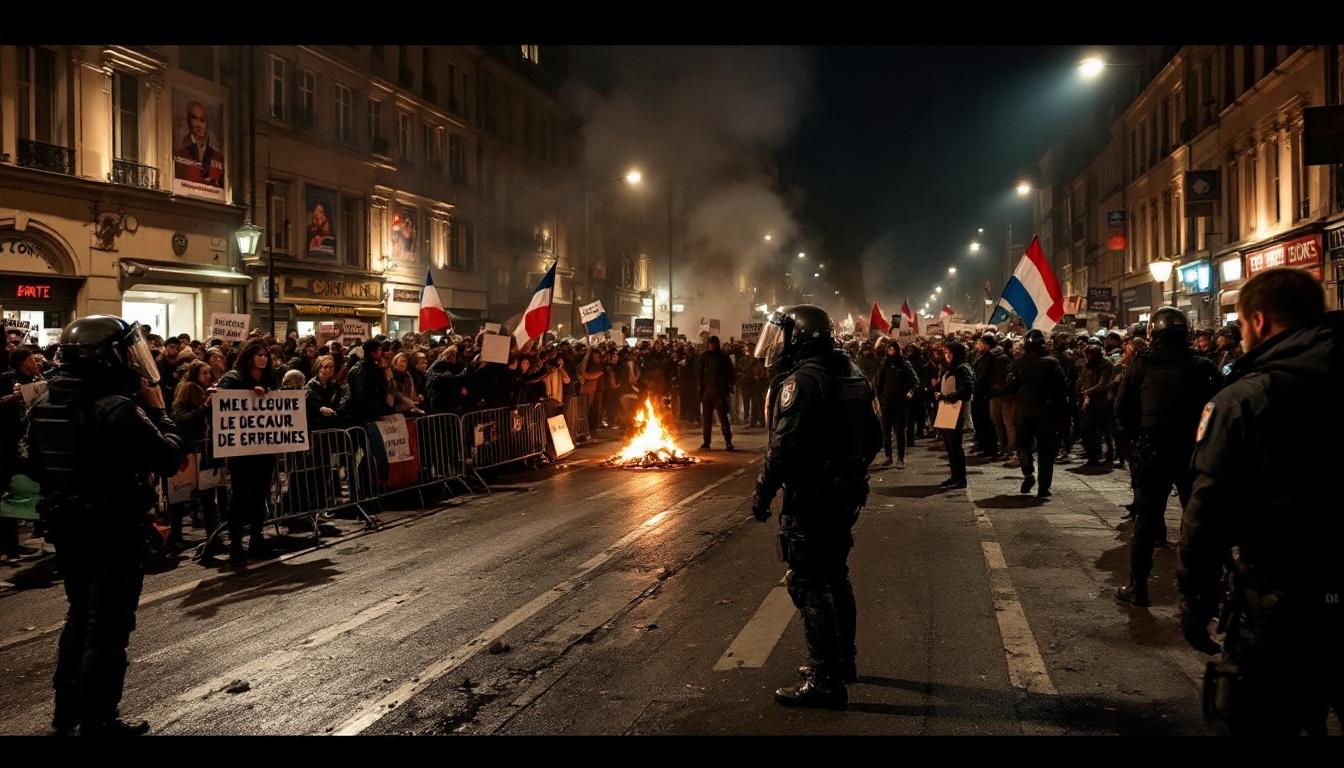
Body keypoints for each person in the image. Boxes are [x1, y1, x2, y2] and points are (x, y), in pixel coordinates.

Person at [1177, 268, 1343, 735]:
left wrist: (1196, 599)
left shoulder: (1247, 398)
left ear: (1260, 321)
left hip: (1283, 599)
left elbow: (1208, 509)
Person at [26, 315, 184, 735]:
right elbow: (169, 457)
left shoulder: (44, 404)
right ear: (109, 358)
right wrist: (161, 413)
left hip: (68, 527)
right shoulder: (118, 409)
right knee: (109, 628)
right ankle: (99, 720)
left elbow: (35, 466)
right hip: (113, 528)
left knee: (79, 617)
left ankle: (66, 714)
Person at [751, 305, 881, 710]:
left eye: (784, 335)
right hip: (845, 493)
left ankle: (826, 679)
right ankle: (844, 662)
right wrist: (847, 469)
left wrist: (762, 493)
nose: (778, 344)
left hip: (812, 494)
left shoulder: (804, 381)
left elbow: (782, 448)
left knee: (807, 582)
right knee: (836, 576)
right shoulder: (852, 373)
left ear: (800, 336)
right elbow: (874, 437)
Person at [1112, 306, 1219, 607]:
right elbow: (1216, 409)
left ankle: (1139, 586)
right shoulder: (1202, 365)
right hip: (1191, 451)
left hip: (1154, 450)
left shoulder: (1140, 365)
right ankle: (1201, 587)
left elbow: (1121, 410)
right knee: (1196, 518)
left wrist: (1136, 441)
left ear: (1154, 333)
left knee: (1146, 520)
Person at [217, 338, 281, 566]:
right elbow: (223, 404)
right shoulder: (233, 378)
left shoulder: (270, 378)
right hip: (242, 452)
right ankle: (236, 546)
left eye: (266, 355)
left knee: (260, 496)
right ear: (249, 356)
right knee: (240, 498)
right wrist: (248, 393)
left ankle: (256, 539)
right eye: (259, 355)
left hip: (264, 450)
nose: (263, 359)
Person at [1003, 329, 1068, 498]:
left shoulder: (1018, 363)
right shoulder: (1052, 363)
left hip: (1024, 412)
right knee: (1045, 451)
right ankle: (1043, 487)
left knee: (1023, 446)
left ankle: (1028, 474)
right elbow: (1062, 389)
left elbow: (1010, 387)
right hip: (1046, 413)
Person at [933, 340, 974, 489]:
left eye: (947, 352)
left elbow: (968, 389)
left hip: (955, 409)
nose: (946, 355)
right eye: (944, 352)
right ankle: (954, 476)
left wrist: (949, 396)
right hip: (946, 409)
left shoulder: (962, 368)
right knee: (949, 446)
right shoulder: (950, 367)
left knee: (955, 445)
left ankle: (960, 478)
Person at [873, 340, 918, 468]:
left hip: (901, 404)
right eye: (889, 350)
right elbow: (878, 383)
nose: (891, 352)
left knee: (899, 432)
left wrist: (911, 392)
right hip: (887, 404)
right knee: (886, 431)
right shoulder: (884, 365)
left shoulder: (905, 365)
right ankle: (888, 456)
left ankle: (901, 458)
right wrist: (880, 399)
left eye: (893, 350)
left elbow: (915, 381)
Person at [694, 335, 736, 450]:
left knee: (723, 419)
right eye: (711, 344)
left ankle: (728, 442)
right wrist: (701, 388)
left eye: (714, 344)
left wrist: (729, 386)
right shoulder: (704, 356)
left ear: (717, 344)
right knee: (707, 420)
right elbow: (697, 371)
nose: (712, 346)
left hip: (719, 392)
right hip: (707, 393)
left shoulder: (723, 357)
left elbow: (731, 373)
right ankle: (706, 442)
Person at [174, 100, 224, 188]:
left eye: (202, 120)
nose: (199, 125)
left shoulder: (218, 158)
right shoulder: (179, 155)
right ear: (188, 121)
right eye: (194, 119)